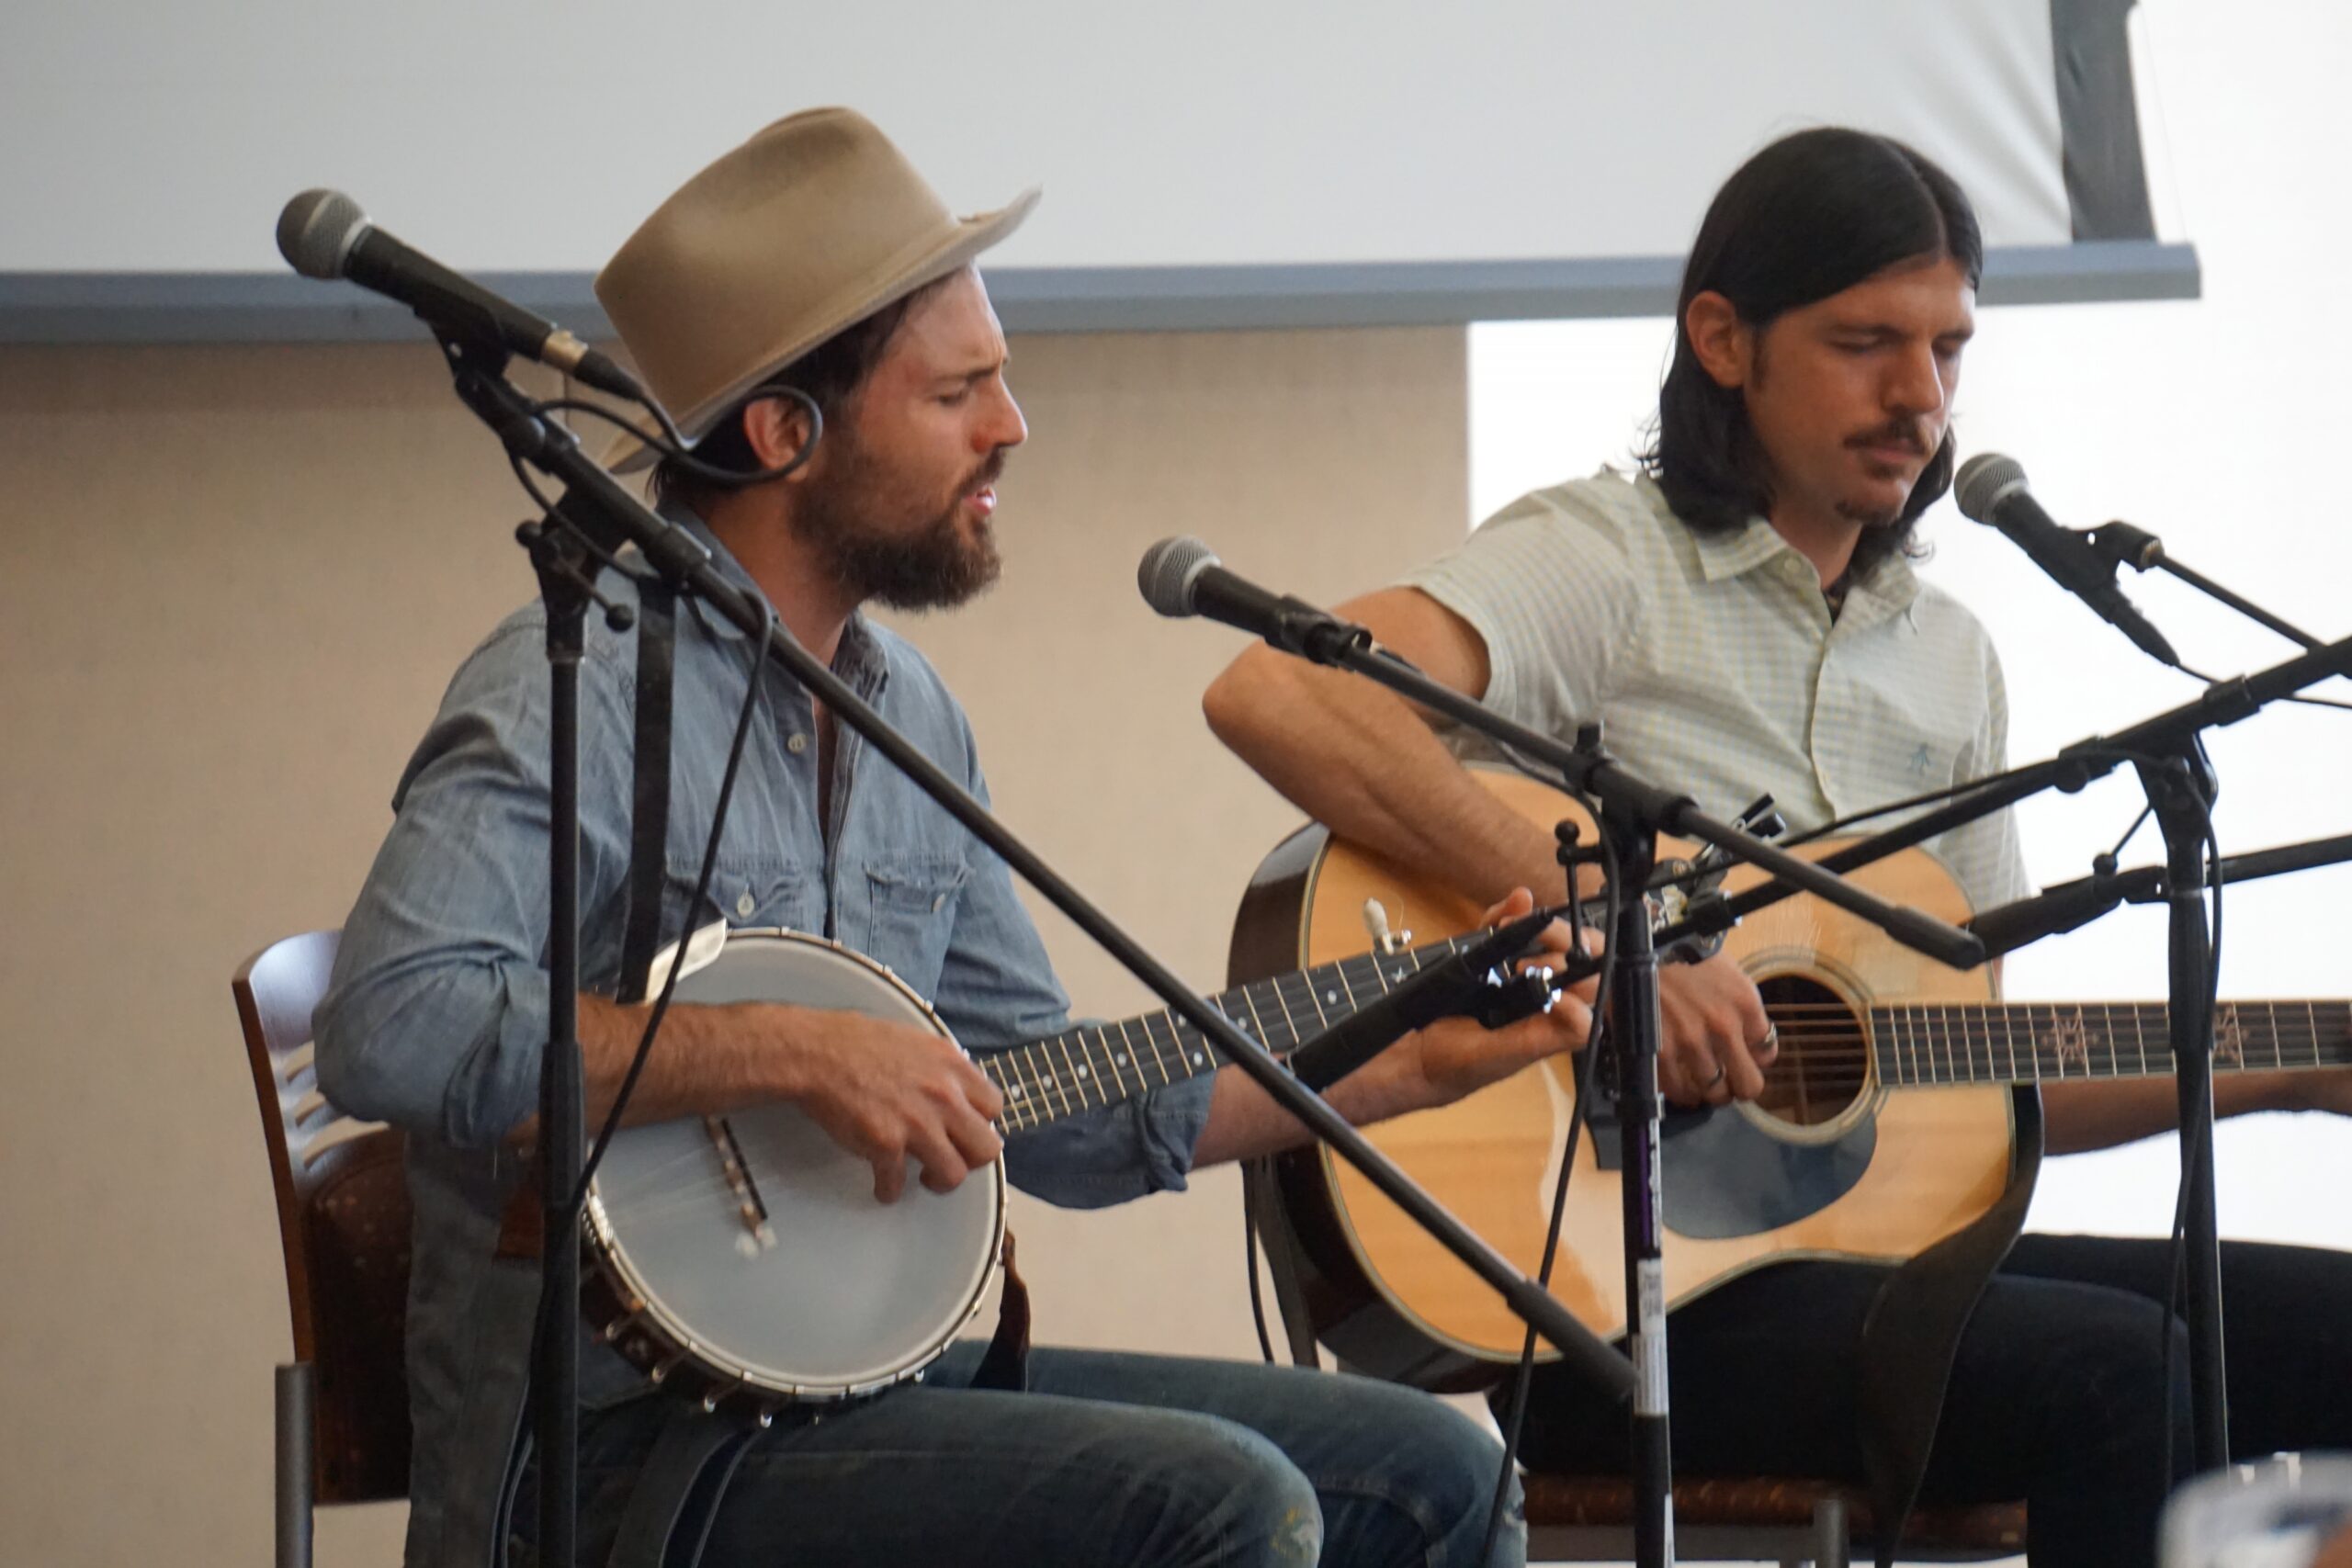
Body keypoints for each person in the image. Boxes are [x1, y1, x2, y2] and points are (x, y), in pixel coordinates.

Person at [313, 108, 1592, 1568]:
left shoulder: (904, 708)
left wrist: (1400, 1059)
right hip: (609, 1453)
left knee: (1446, 1477)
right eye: (959, 392)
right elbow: (390, 1024)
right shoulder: (582, 681)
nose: (1012, 427)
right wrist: (793, 1051)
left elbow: (1057, 1108)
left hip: (858, 1391)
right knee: (1229, 1509)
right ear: (786, 432)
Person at [1203, 127, 2352, 1568]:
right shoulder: (1608, 562)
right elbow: (1281, 688)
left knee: (2327, 1332)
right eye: (1868, 343)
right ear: (1724, 340)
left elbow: (1978, 1059)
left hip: (1867, 1270)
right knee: (2121, 1377)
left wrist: (2303, 1069)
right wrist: (1617, 948)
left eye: (1947, 350)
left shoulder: (1948, 660)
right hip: (1613, 1296)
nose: (1920, 397)